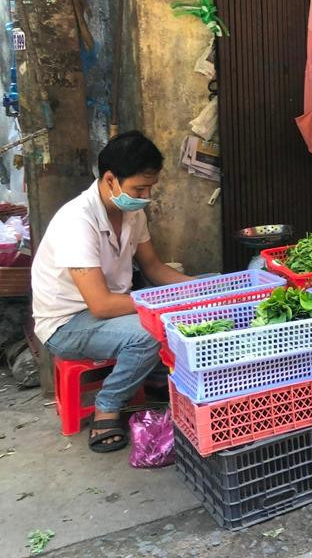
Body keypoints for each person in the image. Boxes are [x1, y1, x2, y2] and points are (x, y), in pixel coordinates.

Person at [32, 131, 192, 451]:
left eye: (150, 188)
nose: (145, 195)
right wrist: (160, 302)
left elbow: (154, 268)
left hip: (108, 310)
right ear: (110, 179)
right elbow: (101, 305)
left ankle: (157, 380)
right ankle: (108, 407)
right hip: (68, 324)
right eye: (138, 188)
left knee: (189, 305)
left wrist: (200, 288)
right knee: (149, 330)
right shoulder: (77, 221)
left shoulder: (132, 212)